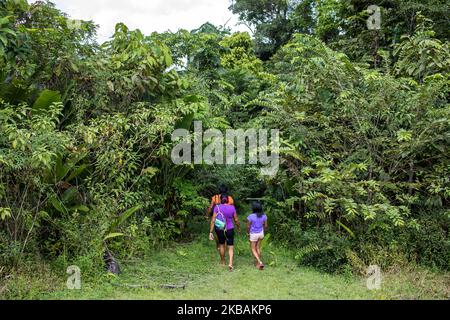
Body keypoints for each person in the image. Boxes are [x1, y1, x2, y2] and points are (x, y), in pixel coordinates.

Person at [209, 194, 241, 271]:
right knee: (230, 247)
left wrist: (210, 231)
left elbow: (213, 220)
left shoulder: (217, 207)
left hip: (220, 228)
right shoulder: (232, 207)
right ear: (228, 199)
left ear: (220, 199)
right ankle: (230, 263)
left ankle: (223, 262)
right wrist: (238, 228)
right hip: (230, 229)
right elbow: (236, 220)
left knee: (221, 245)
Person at [247, 201, 268, 270]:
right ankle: (257, 264)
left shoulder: (251, 216)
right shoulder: (264, 216)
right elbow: (266, 226)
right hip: (261, 233)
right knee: (258, 248)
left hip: (253, 234)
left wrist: (248, 233)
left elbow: (248, 226)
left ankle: (260, 262)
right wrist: (263, 232)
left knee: (253, 248)